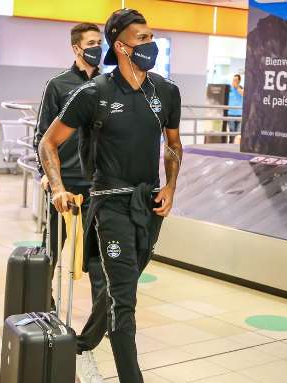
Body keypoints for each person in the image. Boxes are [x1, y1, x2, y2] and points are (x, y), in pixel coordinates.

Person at [39, 9, 183, 383]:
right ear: (120, 46)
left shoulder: (167, 92)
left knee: (127, 283)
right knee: (124, 298)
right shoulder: (94, 93)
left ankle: (85, 340)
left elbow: (172, 144)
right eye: (142, 39)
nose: (150, 45)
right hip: (110, 204)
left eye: (152, 38)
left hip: (148, 205)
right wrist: (57, 186)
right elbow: (48, 143)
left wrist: (170, 186)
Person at [33, 22, 102, 309]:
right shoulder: (58, 85)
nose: (98, 49)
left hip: (98, 181)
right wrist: (47, 175)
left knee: (99, 250)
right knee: (54, 245)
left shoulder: (106, 85)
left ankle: (104, 311)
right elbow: (43, 137)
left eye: (100, 43)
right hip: (65, 180)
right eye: (91, 44)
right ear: (76, 48)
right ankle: (42, 300)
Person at [227, 73, 244, 143]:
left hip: (239, 115)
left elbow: (243, 94)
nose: (234, 81)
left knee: (238, 135)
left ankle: (235, 147)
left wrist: (237, 87)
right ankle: (230, 146)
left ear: (239, 81)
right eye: (233, 80)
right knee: (232, 133)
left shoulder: (241, 88)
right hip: (230, 114)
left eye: (236, 80)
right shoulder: (229, 88)